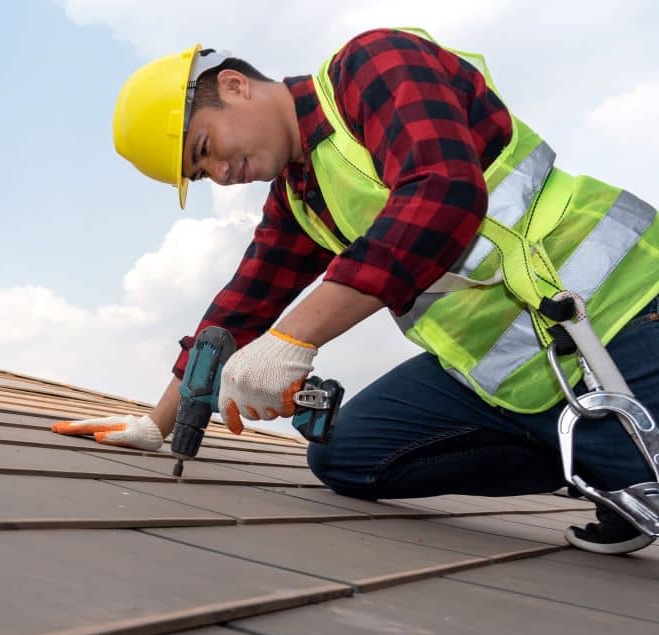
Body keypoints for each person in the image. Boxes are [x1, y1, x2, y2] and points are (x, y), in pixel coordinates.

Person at [52, 28, 659, 554]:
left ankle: (621, 462)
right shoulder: (300, 193)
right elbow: (245, 300)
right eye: (201, 173)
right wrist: (160, 422)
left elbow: (443, 193)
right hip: (517, 373)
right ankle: (603, 465)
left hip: (624, 313)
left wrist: (295, 338)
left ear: (235, 86)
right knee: (345, 455)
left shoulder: (374, 64)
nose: (220, 175)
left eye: (206, 150)